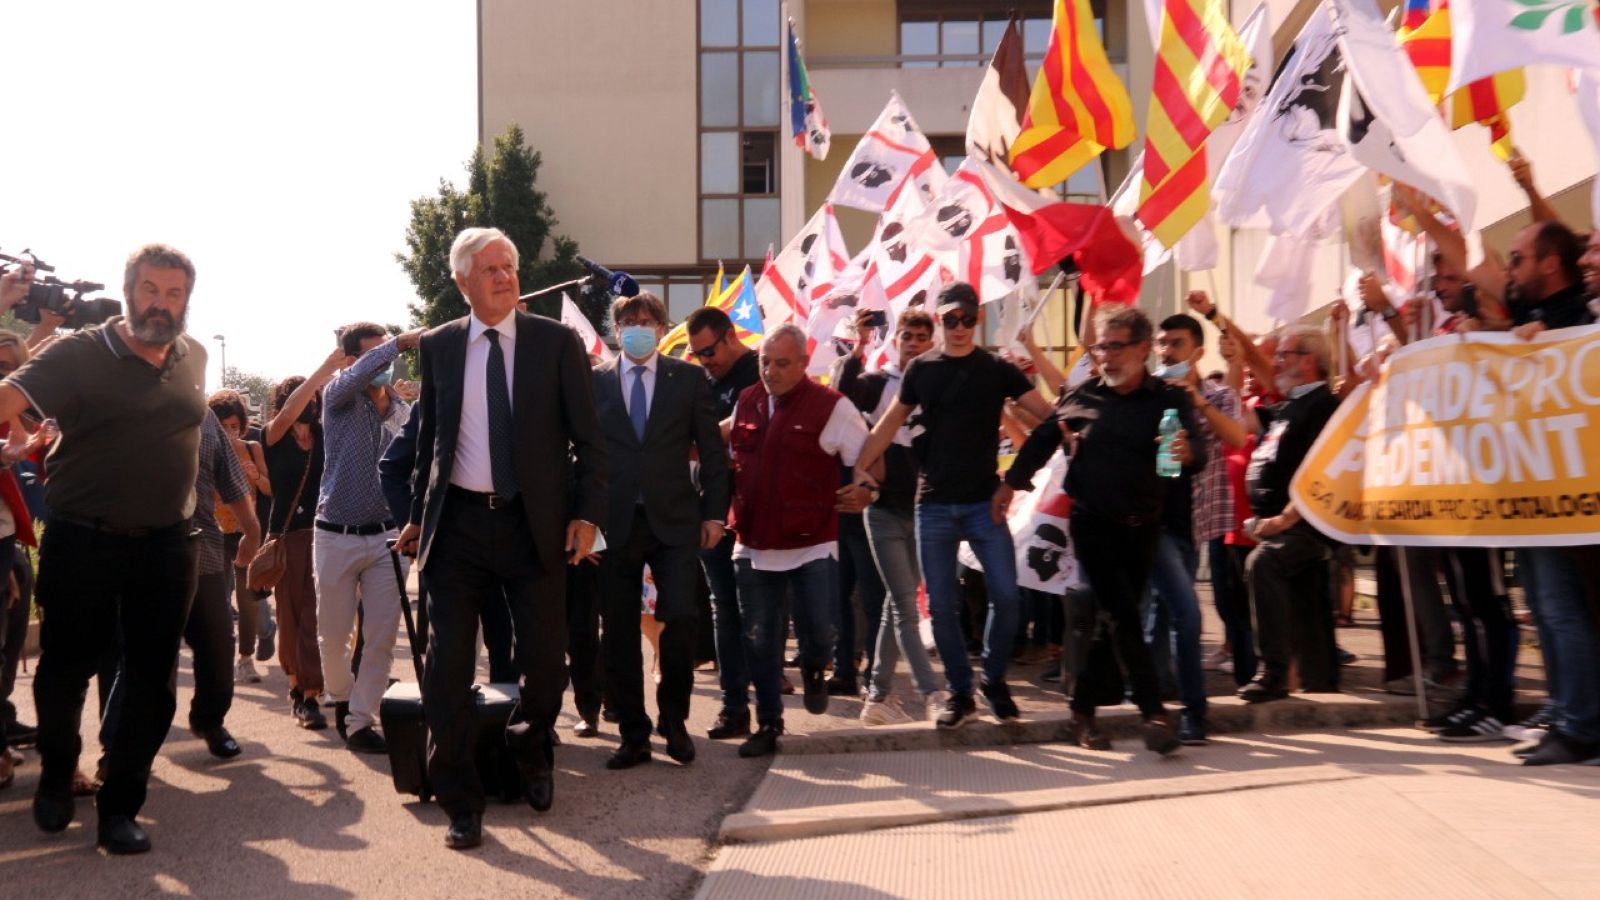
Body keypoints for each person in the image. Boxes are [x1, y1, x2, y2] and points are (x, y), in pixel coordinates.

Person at [1, 243, 229, 854]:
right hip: (84, 540)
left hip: (169, 545)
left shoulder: (195, 357)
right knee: (66, 671)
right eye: (150, 290)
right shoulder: (80, 353)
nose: (162, 303)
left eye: (174, 293)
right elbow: (6, 403)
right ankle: (55, 775)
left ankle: (120, 804)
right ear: (130, 292)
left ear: (187, 299)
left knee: (153, 680)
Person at [394, 227, 606, 849]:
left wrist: (587, 514)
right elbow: (429, 443)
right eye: (489, 269)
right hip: (456, 527)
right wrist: (416, 515)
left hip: (532, 525)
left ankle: (531, 742)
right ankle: (461, 798)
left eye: (509, 266)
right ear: (463, 282)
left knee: (545, 662)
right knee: (447, 669)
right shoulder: (438, 346)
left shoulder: (556, 343)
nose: (505, 277)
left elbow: (591, 442)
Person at [1003, 305, 1202, 756]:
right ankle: (1154, 711)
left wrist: (1186, 452)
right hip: (1093, 525)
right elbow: (1042, 440)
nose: (1107, 356)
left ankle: (1081, 709)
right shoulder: (1082, 397)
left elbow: (1195, 457)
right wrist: (1010, 485)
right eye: (1101, 347)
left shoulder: (1169, 399)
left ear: (1142, 349)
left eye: (1116, 346)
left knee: (1113, 622)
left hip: (1145, 527)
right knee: (1125, 617)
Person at [853, 284, 1053, 729]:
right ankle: (961, 694)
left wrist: (1016, 480)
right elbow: (888, 425)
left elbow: (1049, 418)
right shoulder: (921, 370)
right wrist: (859, 469)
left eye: (965, 318)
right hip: (934, 505)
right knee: (941, 607)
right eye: (949, 319)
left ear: (977, 317)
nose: (958, 327)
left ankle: (994, 681)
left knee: (1006, 596)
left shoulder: (998, 370)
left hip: (986, 504)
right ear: (939, 320)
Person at [589, 291, 727, 769]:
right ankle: (633, 732)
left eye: (648, 320)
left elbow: (712, 452)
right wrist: (582, 519)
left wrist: (715, 515)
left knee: (682, 620)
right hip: (615, 523)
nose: (639, 327)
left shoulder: (688, 379)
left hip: (676, 522)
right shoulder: (596, 382)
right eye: (630, 320)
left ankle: (674, 719)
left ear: (662, 328)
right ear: (617, 328)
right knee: (620, 631)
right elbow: (582, 455)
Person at [727, 323, 875, 757]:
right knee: (758, 636)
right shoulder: (747, 401)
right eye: (764, 362)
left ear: (805, 363)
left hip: (812, 542)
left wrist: (867, 490)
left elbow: (867, 460)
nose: (770, 371)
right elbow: (727, 448)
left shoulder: (833, 407)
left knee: (821, 630)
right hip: (753, 539)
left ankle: (815, 667)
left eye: (782, 363)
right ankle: (768, 723)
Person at [1502, 221, 1600, 766]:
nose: (1511, 267)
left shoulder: (1579, 323)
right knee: (1543, 607)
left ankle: (1581, 725)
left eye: (1519, 258)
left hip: (1573, 497)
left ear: (1548, 263)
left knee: (1563, 610)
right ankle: (1565, 715)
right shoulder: (1538, 321)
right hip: (1539, 492)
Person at [833, 309, 946, 725]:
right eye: (907, 337)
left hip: (923, 509)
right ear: (895, 342)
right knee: (903, 605)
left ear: (931, 342)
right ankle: (932, 692)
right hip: (881, 509)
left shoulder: (937, 386)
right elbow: (839, 395)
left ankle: (878, 695)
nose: (914, 343)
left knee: (892, 607)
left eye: (921, 336)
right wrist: (858, 346)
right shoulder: (878, 384)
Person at [312, 322, 420, 752]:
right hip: (335, 534)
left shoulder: (403, 410)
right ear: (354, 360)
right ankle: (340, 697)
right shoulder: (337, 397)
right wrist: (399, 341)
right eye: (375, 354)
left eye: (389, 354)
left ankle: (359, 720)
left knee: (380, 637)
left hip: (386, 540)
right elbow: (352, 377)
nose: (386, 362)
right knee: (334, 635)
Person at [1148, 311, 1246, 745]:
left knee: (1174, 609)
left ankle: (1166, 694)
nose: (1167, 351)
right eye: (1162, 343)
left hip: (1198, 517)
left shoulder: (1217, 395)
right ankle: (1173, 701)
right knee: (1173, 610)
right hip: (1158, 519)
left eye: (1176, 344)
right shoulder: (1149, 393)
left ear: (1197, 352)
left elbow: (1238, 438)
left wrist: (1195, 399)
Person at [1238, 325, 1341, 703]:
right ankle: (1320, 679)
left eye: (1284, 355)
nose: (1276, 362)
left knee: (1263, 564)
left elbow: (1324, 470)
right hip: (1277, 522)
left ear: (1309, 361)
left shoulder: (1323, 405)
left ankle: (1274, 674)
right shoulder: (1289, 405)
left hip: (1305, 525)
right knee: (1305, 599)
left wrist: (1283, 520)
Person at [685, 306, 761, 740]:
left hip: (755, 509)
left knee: (760, 611)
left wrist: (707, 437)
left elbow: (747, 424)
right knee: (725, 610)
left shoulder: (762, 369)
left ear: (731, 337)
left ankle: (772, 695)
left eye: (709, 350)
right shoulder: (703, 382)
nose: (705, 360)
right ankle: (736, 708)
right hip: (712, 509)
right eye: (697, 354)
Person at [263, 368, 332, 731]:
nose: (312, 405)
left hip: (323, 533)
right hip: (287, 536)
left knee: (315, 614)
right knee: (290, 615)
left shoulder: (324, 434)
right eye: (306, 398)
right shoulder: (272, 437)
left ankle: (312, 692)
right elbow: (289, 415)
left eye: (316, 399)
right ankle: (297, 689)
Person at [209, 390, 273, 683]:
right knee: (216, 599)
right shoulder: (205, 448)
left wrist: (255, 476)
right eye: (224, 426)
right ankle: (221, 657)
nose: (231, 432)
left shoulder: (252, 447)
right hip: (213, 532)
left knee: (247, 600)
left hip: (247, 532)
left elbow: (269, 489)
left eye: (235, 426)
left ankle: (245, 659)